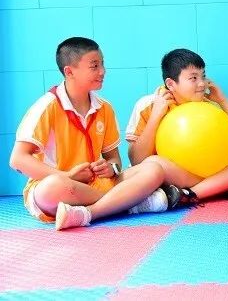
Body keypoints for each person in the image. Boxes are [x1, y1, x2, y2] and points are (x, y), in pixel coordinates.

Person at [9, 37, 168, 231]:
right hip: (62, 187)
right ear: (69, 72)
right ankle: (129, 203)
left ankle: (90, 212)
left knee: (154, 169)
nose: (102, 71)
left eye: (102, 64)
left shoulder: (104, 108)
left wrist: (112, 168)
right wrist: (67, 175)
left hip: (97, 184)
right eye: (94, 66)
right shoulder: (46, 107)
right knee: (52, 188)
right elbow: (17, 159)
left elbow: (113, 159)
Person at [126, 48, 228, 207]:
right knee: (153, 163)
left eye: (203, 76)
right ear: (171, 84)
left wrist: (224, 102)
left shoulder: (210, 106)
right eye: (193, 78)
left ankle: (190, 194)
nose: (202, 84)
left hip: (208, 170)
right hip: (173, 172)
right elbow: (137, 161)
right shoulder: (148, 104)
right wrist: (156, 116)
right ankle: (223, 185)